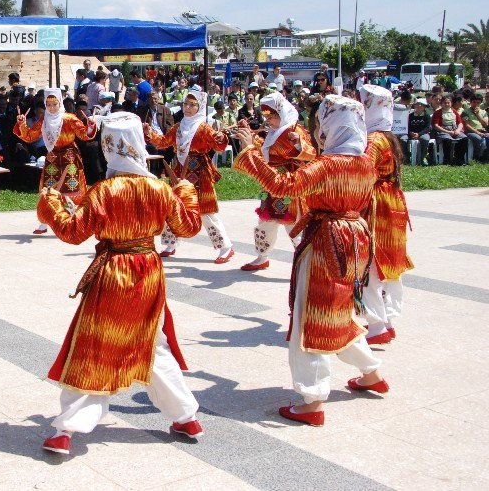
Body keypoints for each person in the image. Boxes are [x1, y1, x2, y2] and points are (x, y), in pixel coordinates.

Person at [37, 112, 204, 456]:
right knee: (151, 343)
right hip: (149, 270)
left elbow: (72, 232)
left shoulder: (103, 192)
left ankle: (69, 427)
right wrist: (186, 192)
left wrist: (51, 205)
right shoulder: (160, 189)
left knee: (94, 346)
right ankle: (185, 416)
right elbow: (188, 227)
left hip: (113, 271)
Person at [233, 95, 387, 426]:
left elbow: (281, 184)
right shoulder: (365, 163)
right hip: (355, 240)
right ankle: (370, 372)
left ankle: (312, 398)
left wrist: (247, 152)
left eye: (321, 122)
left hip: (325, 243)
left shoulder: (326, 165)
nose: (317, 129)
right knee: (340, 311)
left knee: (311, 316)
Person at [146, 90, 234, 263]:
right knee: (173, 206)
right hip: (180, 171)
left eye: (192, 105)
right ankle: (170, 243)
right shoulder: (179, 127)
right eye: (186, 104)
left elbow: (219, 146)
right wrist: (150, 133)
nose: (187, 108)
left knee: (205, 211)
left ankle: (225, 246)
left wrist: (220, 137)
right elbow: (164, 141)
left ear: (199, 107)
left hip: (199, 172)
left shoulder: (203, 127)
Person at [238, 93, 317, 272]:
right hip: (271, 182)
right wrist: (251, 139)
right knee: (265, 223)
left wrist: (299, 145)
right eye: (267, 117)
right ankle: (262, 257)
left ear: (282, 113)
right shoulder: (274, 132)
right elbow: (267, 152)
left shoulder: (294, 130)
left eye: (273, 116)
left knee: (294, 225)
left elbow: (311, 153)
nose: (269, 120)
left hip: (289, 184)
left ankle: (307, 260)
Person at [359, 85, 412, 344]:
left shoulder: (373, 140)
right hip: (390, 200)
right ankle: (386, 320)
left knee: (370, 263)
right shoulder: (386, 136)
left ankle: (377, 326)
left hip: (376, 203)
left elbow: (362, 168)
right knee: (384, 263)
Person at [14, 88, 97, 235]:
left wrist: (90, 125)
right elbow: (30, 136)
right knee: (47, 189)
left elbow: (84, 135)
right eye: (49, 104)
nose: (52, 108)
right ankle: (44, 222)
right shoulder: (44, 120)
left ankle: (77, 222)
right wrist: (22, 124)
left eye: (54, 104)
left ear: (60, 103)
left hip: (69, 157)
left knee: (73, 190)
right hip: (52, 157)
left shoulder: (69, 118)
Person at [431, 95, 466, 165]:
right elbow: (436, 125)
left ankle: (459, 159)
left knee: (464, 139)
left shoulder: (454, 112)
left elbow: (460, 123)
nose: (447, 104)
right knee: (447, 140)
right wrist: (448, 132)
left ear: (451, 103)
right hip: (443, 131)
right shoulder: (437, 113)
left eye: (448, 103)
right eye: (445, 103)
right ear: (441, 104)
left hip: (455, 130)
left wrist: (458, 130)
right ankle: (447, 160)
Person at [401, 98, 433, 165]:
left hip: (423, 133)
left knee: (425, 139)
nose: (419, 106)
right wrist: (410, 133)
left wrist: (419, 134)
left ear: (424, 107)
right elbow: (406, 126)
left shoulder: (427, 116)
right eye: (417, 104)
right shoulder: (410, 116)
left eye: (421, 105)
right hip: (410, 133)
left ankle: (422, 158)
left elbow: (428, 128)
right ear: (414, 106)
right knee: (403, 140)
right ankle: (407, 158)